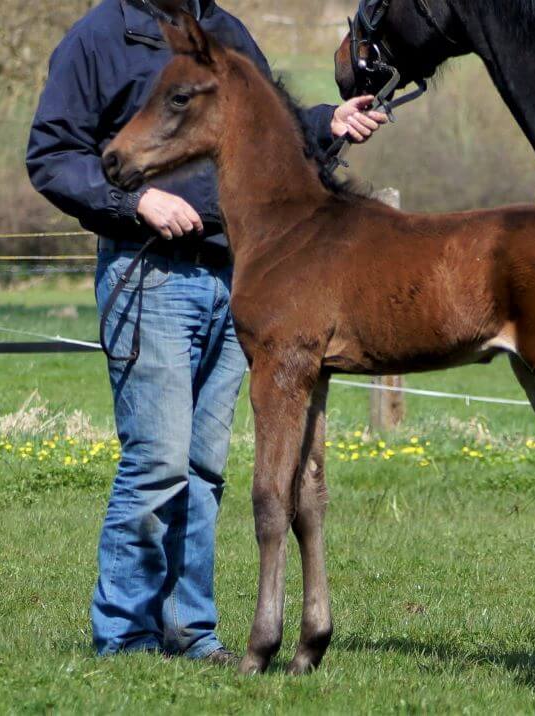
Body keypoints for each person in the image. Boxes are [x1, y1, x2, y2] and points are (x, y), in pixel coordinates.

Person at [26, 0, 387, 664]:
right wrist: (134, 202)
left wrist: (325, 123)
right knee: (157, 465)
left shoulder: (225, 33)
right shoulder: (99, 37)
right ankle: (126, 636)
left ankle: (190, 631)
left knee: (204, 469)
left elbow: (267, 135)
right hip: (152, 277)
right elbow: (51, 154)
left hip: (240, 279)